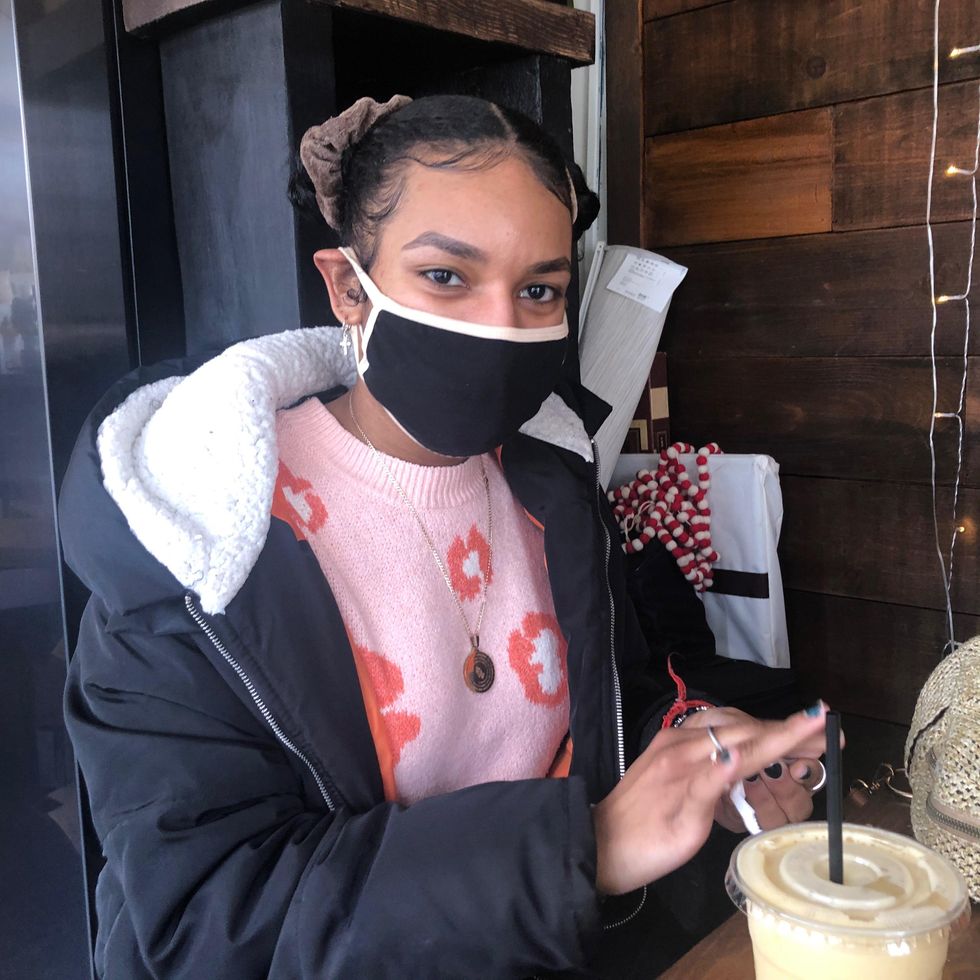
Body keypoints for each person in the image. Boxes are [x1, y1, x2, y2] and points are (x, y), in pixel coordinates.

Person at [60, 94, 830, 979]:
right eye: (446, 276)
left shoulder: (552, 488)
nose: (500, 326)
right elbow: (208, 921)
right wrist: (582, 851)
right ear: (349, 287)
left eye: (538, 290)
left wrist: (699, 752)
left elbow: (613, 704)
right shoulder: (191, 549)